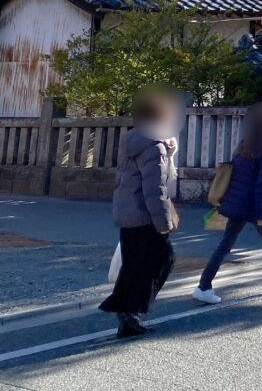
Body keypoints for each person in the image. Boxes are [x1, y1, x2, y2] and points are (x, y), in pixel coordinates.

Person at [193, 103, 262, 304]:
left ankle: (204, 285)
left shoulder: (243, 145)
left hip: (238, 203)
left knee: (226, 243)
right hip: (254, 203)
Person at [100, 86, 182, 338]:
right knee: (162, 258)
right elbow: (153, 189)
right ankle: (129, 310)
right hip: (144, 216)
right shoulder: (154, 148)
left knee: (134, 265)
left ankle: (126, 313)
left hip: (128, 213)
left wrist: (167, 151)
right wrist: (163, 222)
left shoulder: (134, 141)